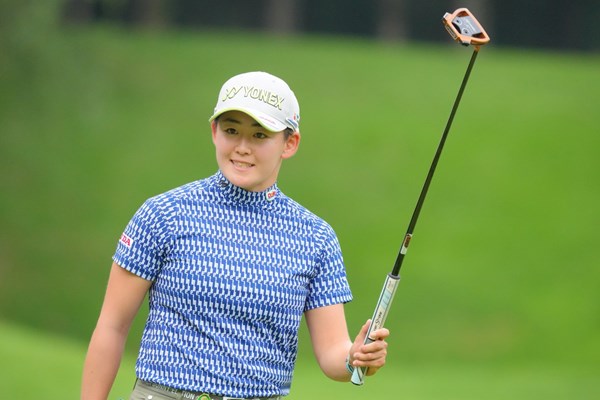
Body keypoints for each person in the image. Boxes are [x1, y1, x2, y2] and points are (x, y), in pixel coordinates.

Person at [81, 71, 390, 400]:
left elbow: (333, 355)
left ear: (290, 143)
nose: (242, 147)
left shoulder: (315, 238)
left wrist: (355, 357)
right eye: (231, 131)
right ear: (214, 131)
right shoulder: (163, 215)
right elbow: (111, 327)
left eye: (260, 135)